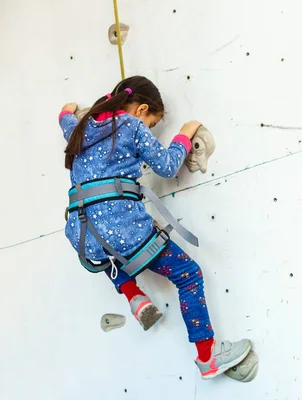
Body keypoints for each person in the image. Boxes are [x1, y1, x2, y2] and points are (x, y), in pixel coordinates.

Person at [60, 75, 250, 379]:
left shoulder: (79, 128)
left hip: (83, 236)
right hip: (125, 231)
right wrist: (186, 133)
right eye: (151, 124)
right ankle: (208, 356)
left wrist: (66, 111)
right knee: (188, 275)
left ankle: (133, 294)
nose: (147, 130)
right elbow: (165, 166)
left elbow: (65, 119)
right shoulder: (132, 126)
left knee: (108, 255)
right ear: (141, 109)